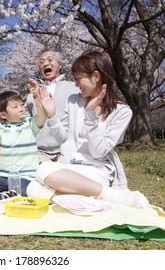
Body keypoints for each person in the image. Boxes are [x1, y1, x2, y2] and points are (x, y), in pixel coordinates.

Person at [27, 50, 150, 209]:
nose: (76, 85)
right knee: (32, 187)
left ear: (96, 77)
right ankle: (96, 199)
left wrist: (91, 117)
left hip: (97, 170)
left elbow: (99, 152)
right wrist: (52, 116)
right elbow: (64, 139)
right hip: (69, 166)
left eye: (78, 79)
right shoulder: (74, 101)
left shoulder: (122, 111)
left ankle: (109, 195)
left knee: (43, 171)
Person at [0, 85, 48, 196]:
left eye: (21, 104)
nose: (21, 108)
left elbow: (42, 116)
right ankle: (10, 192)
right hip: (3, 176)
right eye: (15, 107)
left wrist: (36, 96)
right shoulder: (0, 127)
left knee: (24, 192)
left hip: (25, 176)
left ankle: (13, 193)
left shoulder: (30, 124)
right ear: (3, 114)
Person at [25, 48, 79, 163]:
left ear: (60, 64)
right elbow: (25, 122)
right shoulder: (31, 96)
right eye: (41, 62)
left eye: (50, 60)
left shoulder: (75, 88)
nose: (45, 64)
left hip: (68, 150)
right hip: (39, 151)